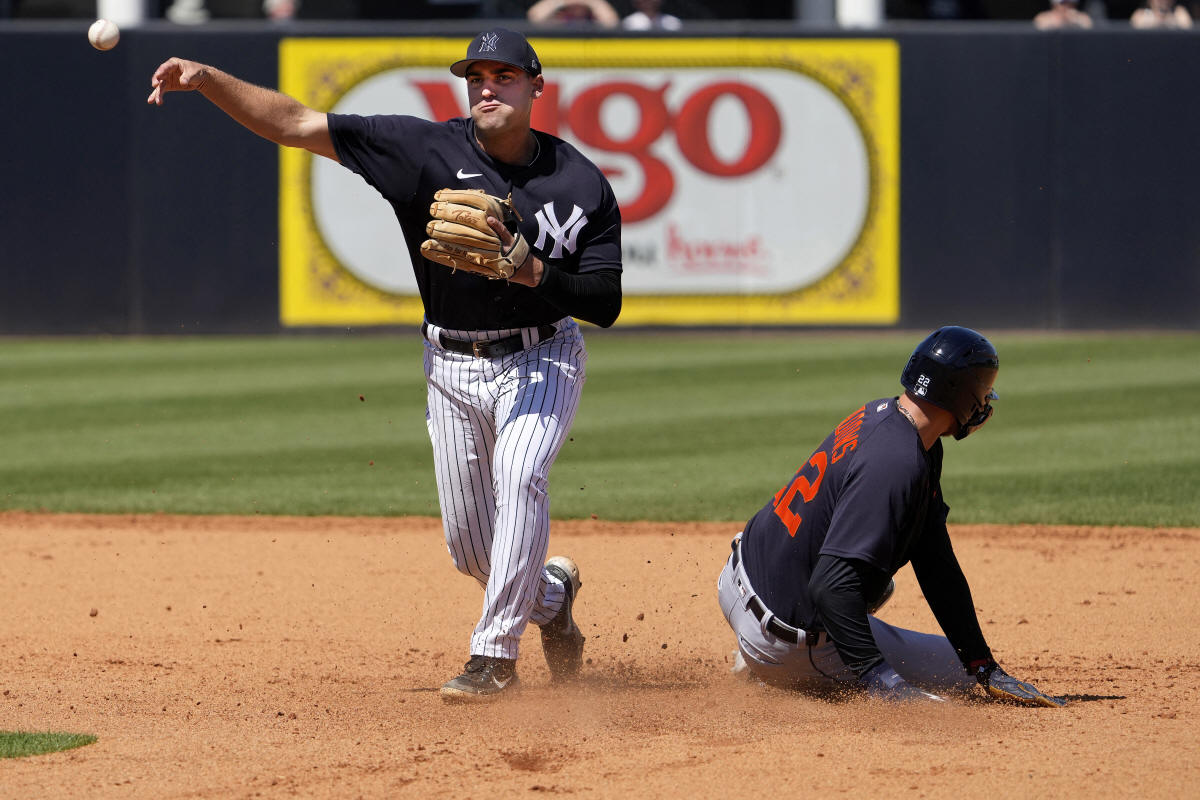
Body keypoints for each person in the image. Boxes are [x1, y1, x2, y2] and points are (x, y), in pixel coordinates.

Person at [147, 27, 623, 701]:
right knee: (472, 550)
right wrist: (207, 79)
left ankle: (493, 657)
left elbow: (605, 301)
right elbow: (295, 124)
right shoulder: (420, 149)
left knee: (521, 478)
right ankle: (551, 596)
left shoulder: (579, 182)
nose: (487, 89)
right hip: (450, 364)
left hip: (542, 354)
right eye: (476, 78)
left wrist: (533, 271)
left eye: (504, 76)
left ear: (536, 86)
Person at [718, 326, 1064, 706]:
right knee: (952, 674)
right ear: (963, 397)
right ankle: (774, 666)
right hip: (780, 636)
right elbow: (831, 587)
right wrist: (881, 679)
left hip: (739, 577)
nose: (984, 404)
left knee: (875, 577)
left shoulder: (885, 417)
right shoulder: (898, 462)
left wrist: (982, 663)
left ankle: (759, 656)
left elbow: (935, 561)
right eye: (982, 394)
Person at [526, 0, 620, 26]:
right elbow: (534, 17)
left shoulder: (595, 13)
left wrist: (591, 2)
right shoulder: (559, 14)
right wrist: (560, 2)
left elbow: (612, 22)